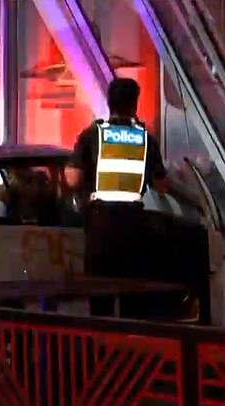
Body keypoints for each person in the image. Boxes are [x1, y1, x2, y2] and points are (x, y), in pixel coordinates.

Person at [65, 78, 168, 281]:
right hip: (133, 225)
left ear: (109, 103)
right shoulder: (146, 139)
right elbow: (161, 186)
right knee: (131, 290)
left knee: (100, 291)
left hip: (101, 225)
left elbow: (73, 179)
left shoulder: (93, 135)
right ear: (134, 104)